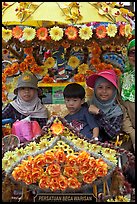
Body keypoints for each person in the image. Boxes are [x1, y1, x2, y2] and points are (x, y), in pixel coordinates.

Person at [86, 69, 123, 143]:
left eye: (108, 88)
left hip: (108, 150)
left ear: (114, 90)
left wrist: (100, 113)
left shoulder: (116, 111)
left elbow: (113, 134)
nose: (104, 91)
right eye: (100, 87)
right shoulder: (87, 105)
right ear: (95, 89)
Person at [118, 39, 135, 151]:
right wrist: (133, 134)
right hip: (129, 133)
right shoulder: (122, 80)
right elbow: (122, 109)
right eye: (132, 52)